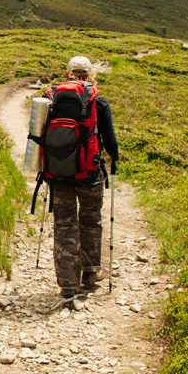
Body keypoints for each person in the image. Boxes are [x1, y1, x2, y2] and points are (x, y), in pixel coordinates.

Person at [46, 56, 119, 299]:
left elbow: (37, 135)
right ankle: (90, 272)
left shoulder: (51, 99)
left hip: (58, 175)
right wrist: (115, 158)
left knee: (64, 225)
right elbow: (110, 141)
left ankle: (68, 284)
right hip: (89, 175)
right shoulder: (98, 103)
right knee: (90, 220)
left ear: (68, 74)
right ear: (90, 75)